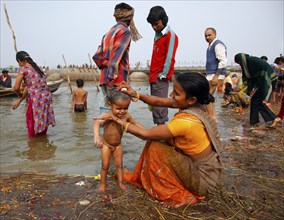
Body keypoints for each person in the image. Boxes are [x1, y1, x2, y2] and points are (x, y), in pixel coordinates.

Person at [114, 72, 223, 208]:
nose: (171, 95)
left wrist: (119, 122)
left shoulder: (186, 122)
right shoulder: (195, 106)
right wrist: (135, 94)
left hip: (203, 180)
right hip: (206, 170)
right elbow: (158, 101)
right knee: (159, 140)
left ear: (191, 99)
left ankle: (184, 195)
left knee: (155, 146)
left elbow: (147, 134)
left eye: (176, 93)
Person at [93, 88, 143, 193]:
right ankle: (103, 184)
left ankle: (120, 183)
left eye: (125, 108)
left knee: (119, 165)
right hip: (106, 145)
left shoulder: (126, 116)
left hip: (118, 145)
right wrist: (97, 136)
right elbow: (97, 121)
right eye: (118, 108)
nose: (122, 111)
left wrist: (146, 131)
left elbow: (135, 123)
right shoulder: (107, 115)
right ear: (110, 105)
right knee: (105, 165)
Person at [96, 2, 141, 107]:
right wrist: (111, 80)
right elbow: (114, 61)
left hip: (104, 79)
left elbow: (97, 57)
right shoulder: (124, 32)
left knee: (108, 113)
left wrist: (106, 64)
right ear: (130, 17)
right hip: (116, 80)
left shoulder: (107, 33)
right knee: (118, 114)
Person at [146, 6, 179, 125]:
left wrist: (163, 75)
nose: (154, 27)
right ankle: (159, 132)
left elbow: (170, 58)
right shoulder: (158, 35)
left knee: (160, 107)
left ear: (164, 20)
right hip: (154, 76)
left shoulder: (170, 35)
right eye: (152, 25)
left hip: (160, 77)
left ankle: (161, 134)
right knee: (155, 106)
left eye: (156, 24)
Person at [12, 51, 55, 137]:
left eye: (18, 62)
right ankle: (42, 141)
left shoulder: (23, 69)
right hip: (46, 97)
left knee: (32, 120)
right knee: (42, 119)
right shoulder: (37, 68)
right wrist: (19, 101)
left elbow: (16, 88)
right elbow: (30, 87)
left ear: (19, 61)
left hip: (36, 98)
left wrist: (19, 94)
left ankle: (33, 145)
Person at [234, 53, 277, 126]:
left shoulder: (250, 63)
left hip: (267, 79)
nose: (240, 65)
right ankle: (256, 121)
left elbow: (251, 80)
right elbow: (252, 80)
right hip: (264, 79)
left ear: (241, 60)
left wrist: (248, 95)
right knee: (255, 100)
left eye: (239, 63)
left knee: (256, 100)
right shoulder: (250, 63)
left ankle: (268, 118)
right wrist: (248, 95)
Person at [204, 27, 227, 122]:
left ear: (215, 34)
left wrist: (216, 76)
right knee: (209, 96)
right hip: (210, 74)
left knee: (207, 96)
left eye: (209, 35)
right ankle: (213, 117)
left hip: (215, 74)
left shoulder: (218, 45)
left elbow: (223, 61)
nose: (207, 37)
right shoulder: (210, 46)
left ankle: (212, 118)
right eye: (205, 36)